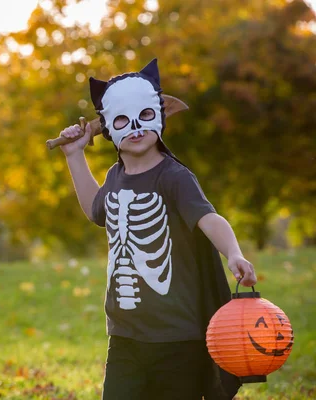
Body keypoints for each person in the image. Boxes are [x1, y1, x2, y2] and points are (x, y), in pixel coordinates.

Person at [57, 59, 257, 399]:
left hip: (177, 338)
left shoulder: (174, 177)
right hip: (124, 335)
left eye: (145, 116)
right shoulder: (115, 176)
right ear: (107, 128)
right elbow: (96, 209)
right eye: (122, 119)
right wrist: (74, 155)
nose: (135, 128)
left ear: (160, 116)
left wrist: (233, 252)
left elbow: (209, 218)